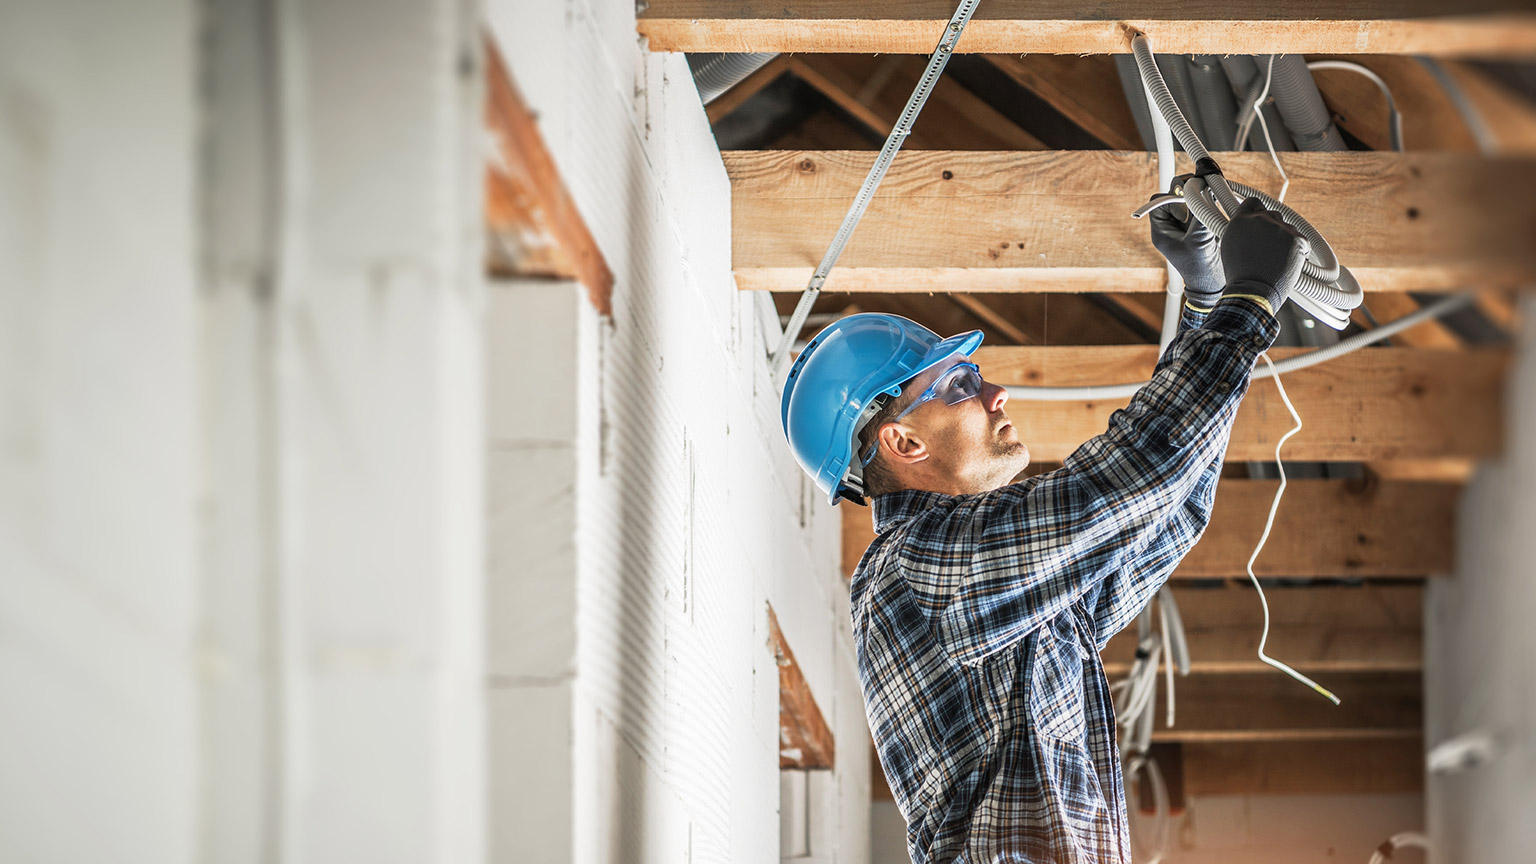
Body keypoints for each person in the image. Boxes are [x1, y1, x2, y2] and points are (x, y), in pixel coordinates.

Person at [779, 193, 1310, 863]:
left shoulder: (995, 586)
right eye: (959, 385)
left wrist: (1206, 308)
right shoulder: (918, 567)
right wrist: (1247, 304)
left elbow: (1167, 507)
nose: (994, 394)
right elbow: (1134, 480)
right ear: (904, 443)